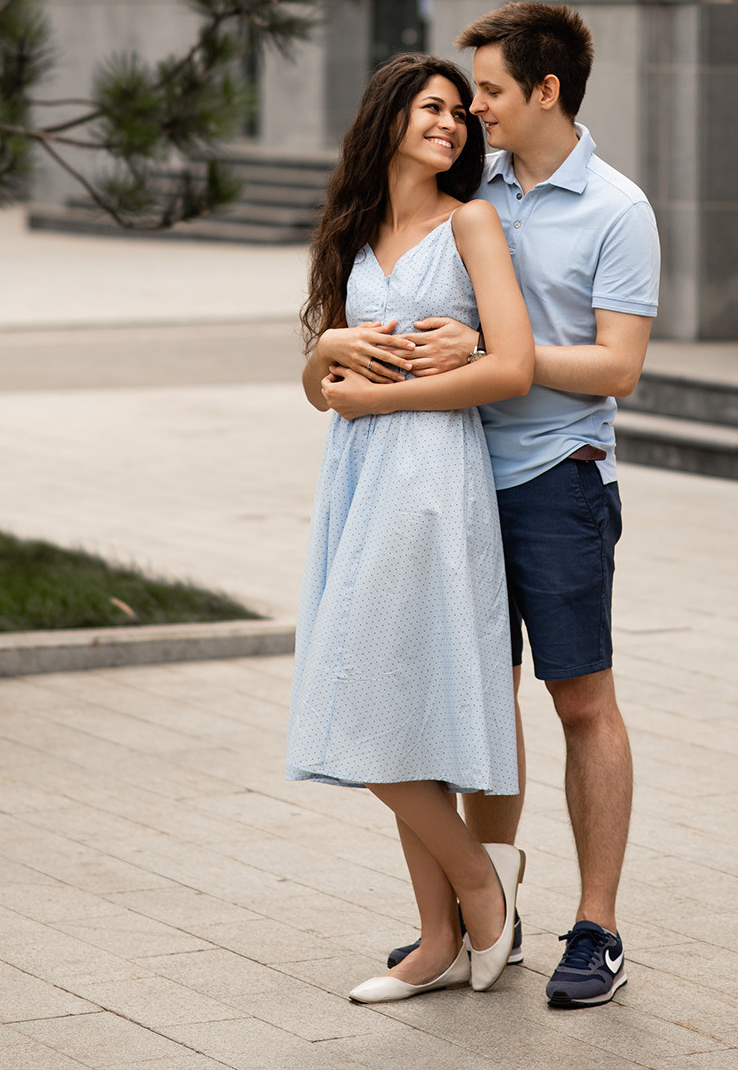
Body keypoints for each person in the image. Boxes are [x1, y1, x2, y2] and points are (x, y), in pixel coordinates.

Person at [384, 3, 660, 1008]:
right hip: (452, 471)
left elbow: (618, 367)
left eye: (491, 90)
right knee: (475, 695)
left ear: (547, 91)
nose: (474, 108)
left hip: (557, 474)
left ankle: (598, 927)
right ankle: (484, 918)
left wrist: (501, 355)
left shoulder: (618, 209)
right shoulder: (474, 186)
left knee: (580, 700)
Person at [287, 53, 535, 1003]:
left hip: (431, 475)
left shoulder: (469, 222)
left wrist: (381, 398)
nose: (452, 124)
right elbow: (324, 390)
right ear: (388, 117)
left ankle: (480, 887)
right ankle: (436, 940)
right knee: (394, 701)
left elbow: (509, 369)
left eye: (460, 114)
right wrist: (325, 350)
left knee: (362, 692)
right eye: (433, 108)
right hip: (358, 480)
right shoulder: (353, 232)